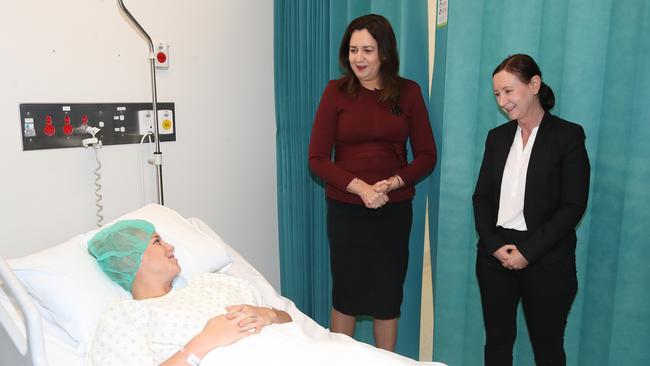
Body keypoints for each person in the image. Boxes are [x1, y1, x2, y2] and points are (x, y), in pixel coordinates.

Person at [308, 14, 437, 352]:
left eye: (367, 49)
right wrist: (361, 188)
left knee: (386, 295)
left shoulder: (408, 93)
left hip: (392, 211)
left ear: (384, 52)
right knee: (346, 293)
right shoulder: (335, 92)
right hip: (347, 209)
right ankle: (339, 360)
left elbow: (426, 155)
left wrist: (393, 182)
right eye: (353, 50)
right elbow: (317, 159)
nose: (359, 58)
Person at [473, 54, 590, 365]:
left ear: (534, 84)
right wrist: (495, 246)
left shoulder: (567, 136)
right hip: (495, 255)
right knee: (497, 345)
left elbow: (572, 205)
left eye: (509, 91)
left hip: (547, 257)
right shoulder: (496, 139)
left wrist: (528, 251)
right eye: (497, 94)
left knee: (548, 349)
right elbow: (481, 197)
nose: (502, 101)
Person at [86, 219, 292, 366]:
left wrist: (269, 315)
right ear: (131, 259)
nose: (171, 247)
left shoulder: (214, 282)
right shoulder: (125, 317)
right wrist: (205, 341)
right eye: (157, 241)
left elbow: (290, 320)